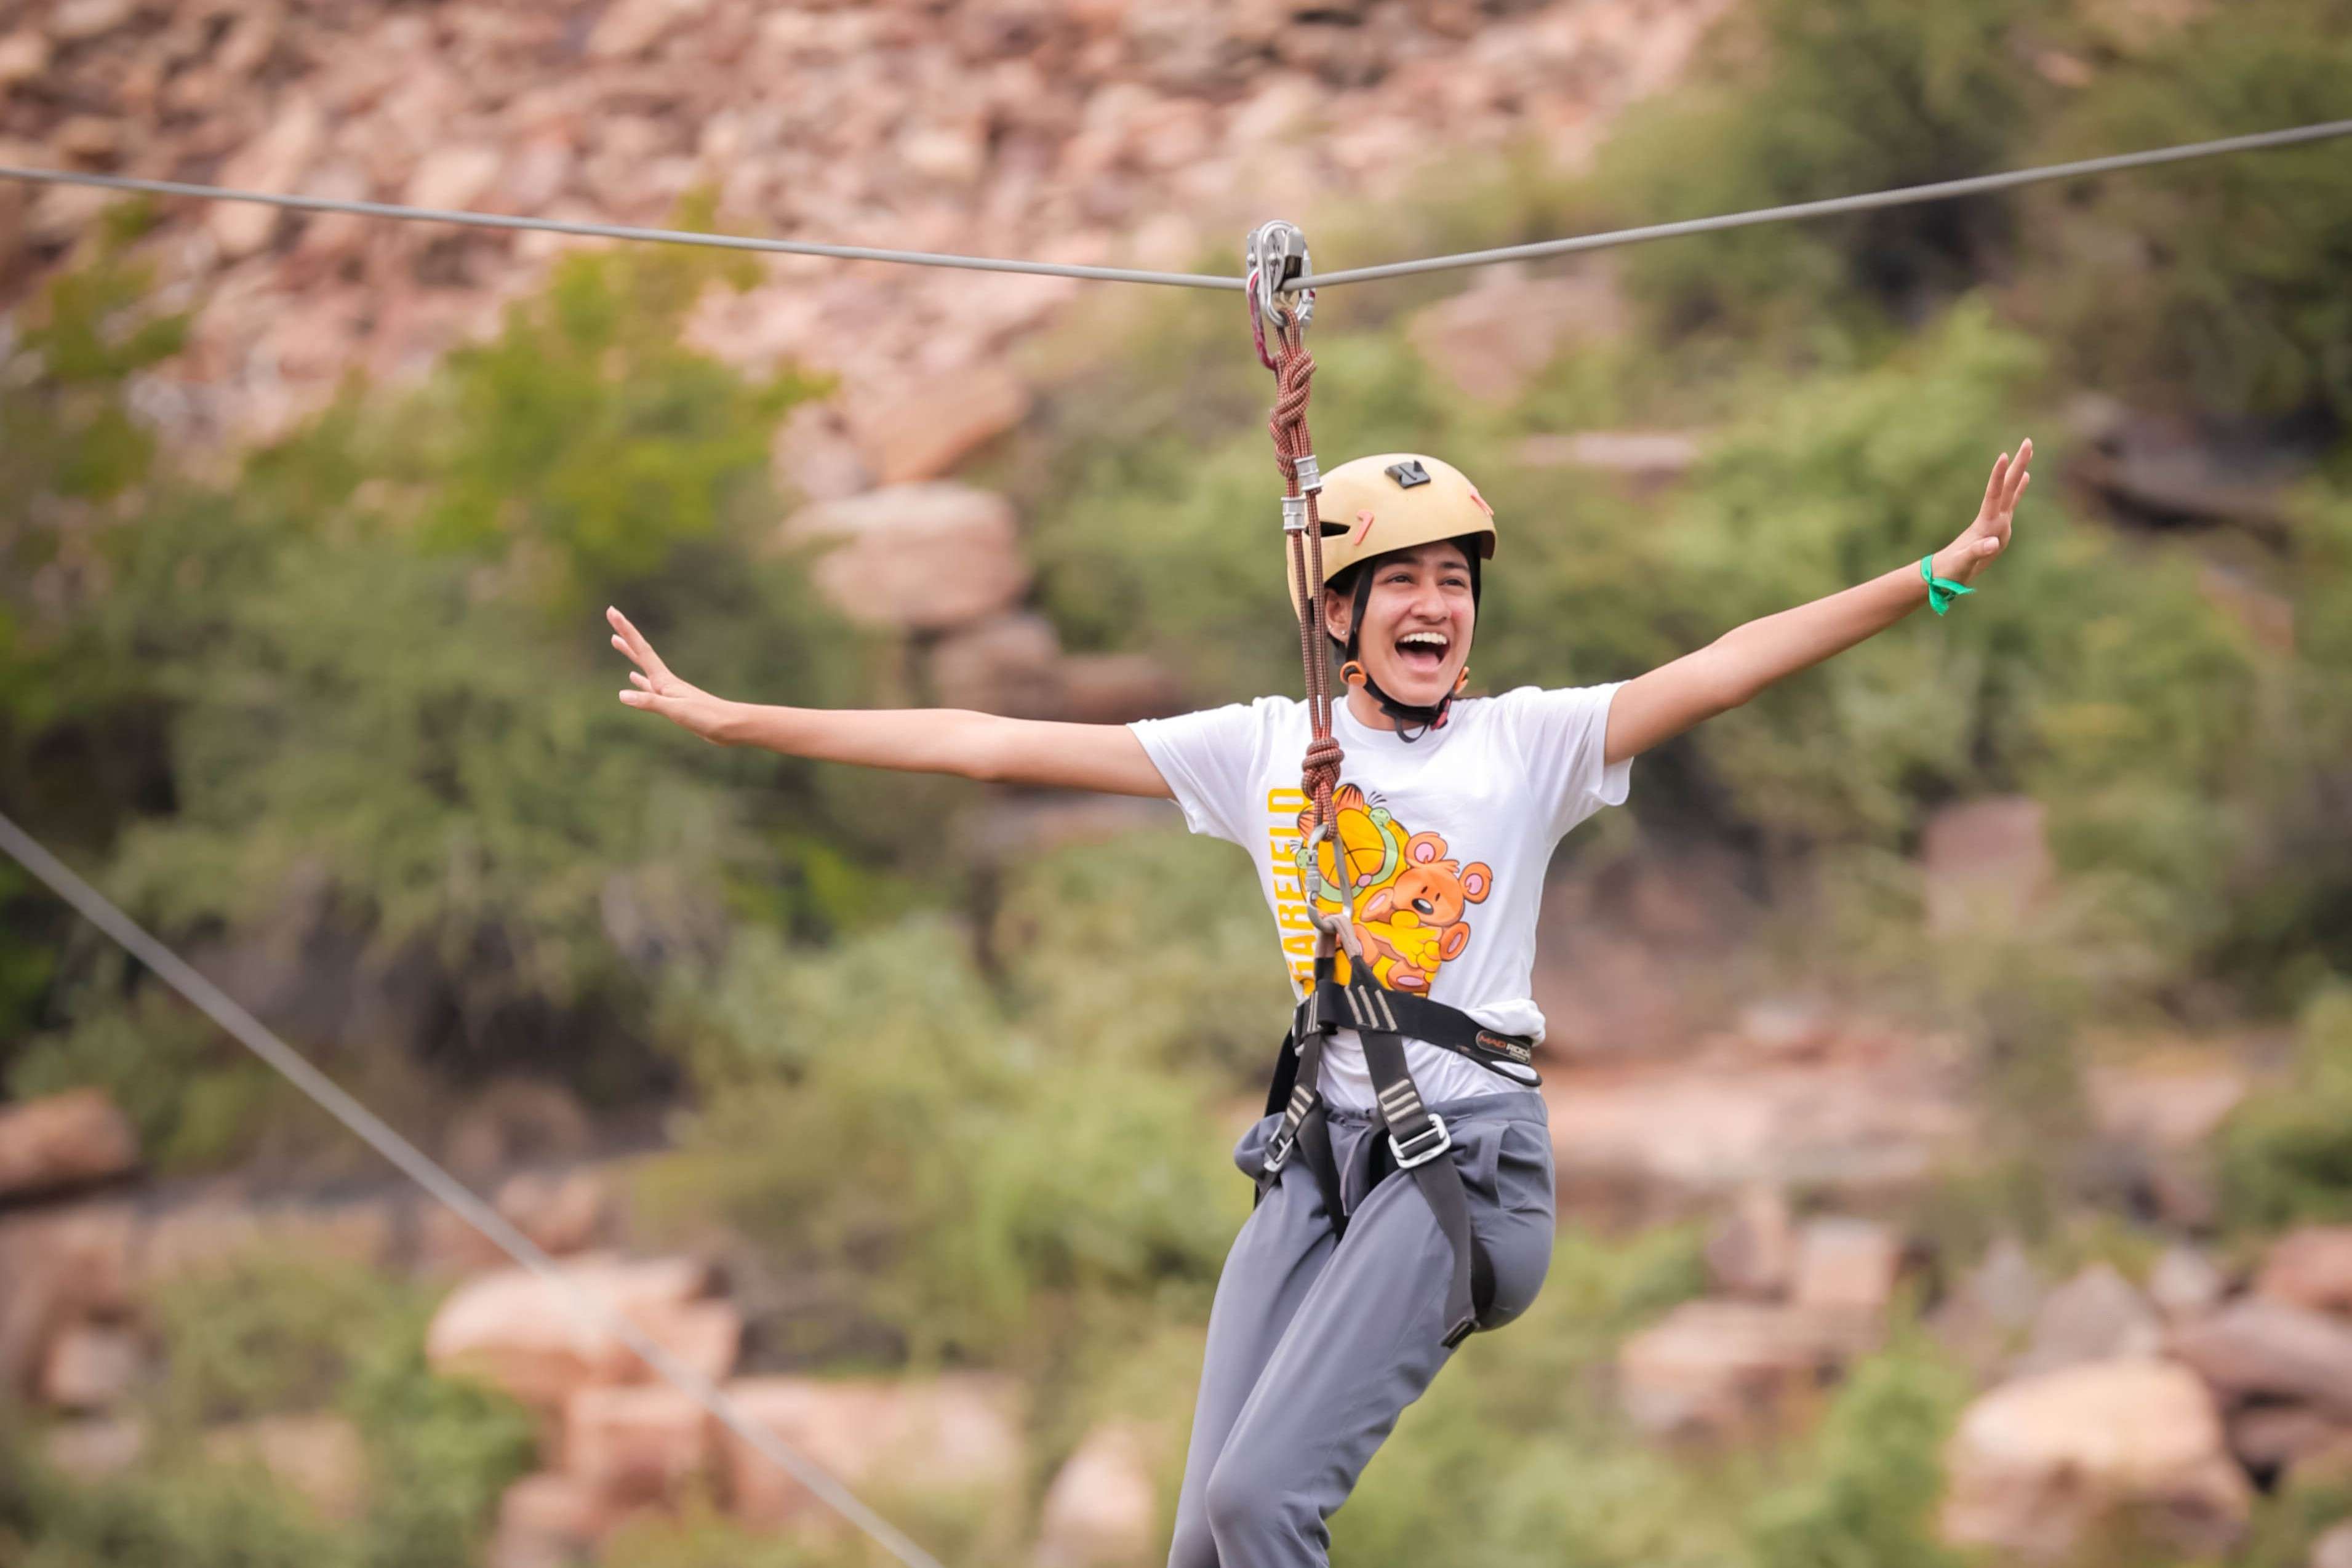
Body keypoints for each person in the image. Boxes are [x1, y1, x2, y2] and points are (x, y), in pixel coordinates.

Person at [607, 438, 2032, 1567]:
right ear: (1336, 612)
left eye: (1454, 583)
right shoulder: (1263, 753)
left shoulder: (1526, 746)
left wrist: (1935, 575)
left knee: (1263, 1494)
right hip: (1318, 1170)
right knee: (1200, 1535)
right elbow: (986, 741)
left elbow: (1722, 667)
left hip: (1461, 1170)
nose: (1434, 607)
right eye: (1399, 582)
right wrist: (740, 719)